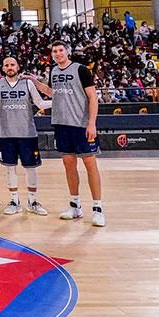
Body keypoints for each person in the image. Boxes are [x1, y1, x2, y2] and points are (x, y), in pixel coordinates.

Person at [28, 40, 105, 227]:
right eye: (54, 51)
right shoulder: (54, 71)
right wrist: (34, 82)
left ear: (67, 52)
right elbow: (53, 93)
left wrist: (91, 123)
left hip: (81, 125)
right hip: (62, 125)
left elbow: (93, 97)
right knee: (69, 165)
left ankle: (98, 209)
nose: (58, 53)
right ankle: (75, 206)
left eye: (61, 50)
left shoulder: (81, 70)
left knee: (90, 164)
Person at [0, 56, 50, 216]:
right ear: (3, 69)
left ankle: (32, 201)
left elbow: (40, 104)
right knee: (10, 169)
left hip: (28, 134)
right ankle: (14, 201)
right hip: (7, 134)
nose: (10, 67)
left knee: (31, 169)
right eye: (7, 65)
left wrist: (59, 101)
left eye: (12, 64)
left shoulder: (28, 83)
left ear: (18, 67)